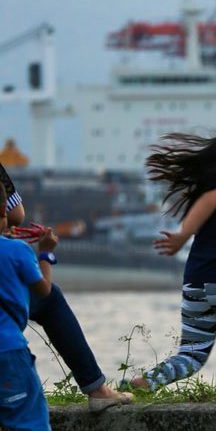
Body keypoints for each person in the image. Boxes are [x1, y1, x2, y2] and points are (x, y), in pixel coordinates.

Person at [129, 133, 216, 390]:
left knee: (191, 355)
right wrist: (183, 235)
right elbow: (210, 201)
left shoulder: (209, 190)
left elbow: (209, 199)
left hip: (197, 286)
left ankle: (147, 381)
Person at [1, 162, 132, 412]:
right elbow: (16, 214)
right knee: (51, 302)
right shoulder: (16, 249)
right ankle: (97, 389)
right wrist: (46, 254)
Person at [0, 182, 53, 431]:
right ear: (4, 210)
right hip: (8, 353)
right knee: (29, 424)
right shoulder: (18, 250)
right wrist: (45, 254)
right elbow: (43, 290)